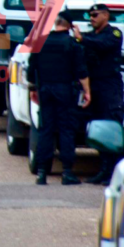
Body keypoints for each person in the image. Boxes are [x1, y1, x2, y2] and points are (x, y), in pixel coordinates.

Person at [28, 11, 92, 185]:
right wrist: (87, 92)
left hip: (45, 89)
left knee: (45, 129)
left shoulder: (41, 42)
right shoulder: (72, 44)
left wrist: (33, 88)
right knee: (66, 130)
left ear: (56, 23)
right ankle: (66, 172)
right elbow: (81, 71)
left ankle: (42, 173)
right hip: (65, 91)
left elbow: (31, 68)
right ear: (70, 26)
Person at [73, 4, 124, 184]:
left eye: (95, 15)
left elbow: (103, 45)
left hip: (109, 88)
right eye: (89, 15)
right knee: (99, 131)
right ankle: (104, 171)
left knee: (111, 129)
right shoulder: (90, 36)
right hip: (94, 88)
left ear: (106, 15)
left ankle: (113, 173)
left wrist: (82, 39)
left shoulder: (114, 34)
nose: (91, 18)